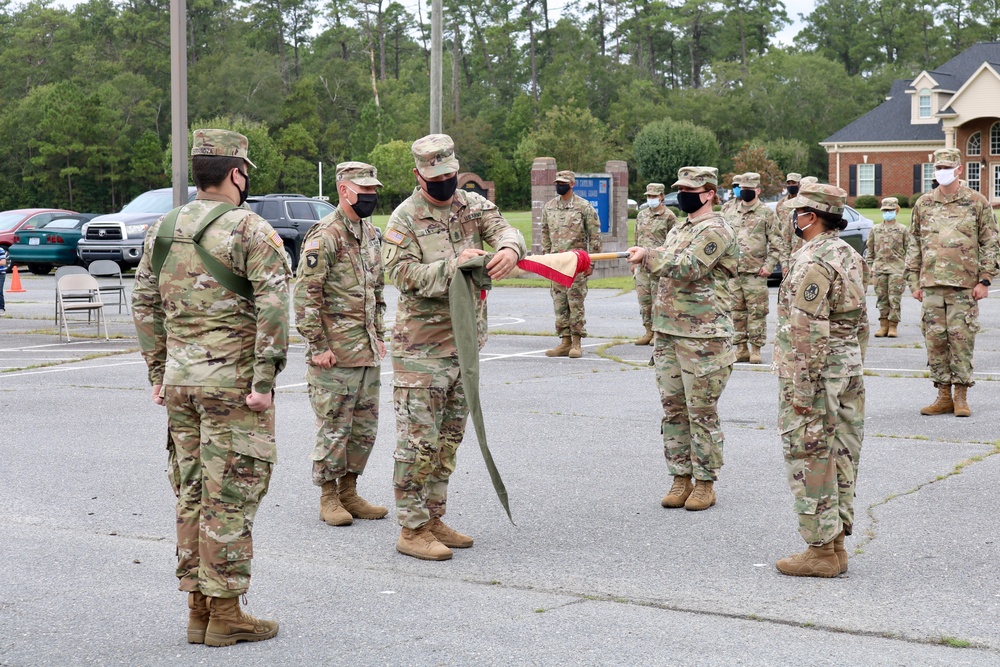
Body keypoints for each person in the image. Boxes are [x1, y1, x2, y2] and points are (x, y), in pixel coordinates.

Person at [132, 129, 290, 646]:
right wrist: (264, 379)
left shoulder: (163, 228)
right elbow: (271, 304)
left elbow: (144, 306)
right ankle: (226, 613)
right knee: (231, 495)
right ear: (236, 173)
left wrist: (159, 373)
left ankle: (199, 608)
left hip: (181, 383)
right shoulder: (248, 228)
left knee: (193, 491)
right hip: (233, 386)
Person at [382, 134, 526, 561]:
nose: (443, 184)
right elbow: (400, 273)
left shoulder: (472, 205)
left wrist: (510, 249)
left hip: (464, 347)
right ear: (418, 175)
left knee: (447, 440)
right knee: (417, 443)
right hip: (421, 352)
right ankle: (411, 528)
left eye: (449, 176)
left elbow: (507, 229)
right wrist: (453, 265)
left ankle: (433, 517)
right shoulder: (404, 218)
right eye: (434, 178)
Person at [627, 166, 737, 512]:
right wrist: (647, 255)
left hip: (703, 337)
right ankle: (680, 477)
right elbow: (668, 262)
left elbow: (690, 267)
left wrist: (649, 254)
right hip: (668, 332)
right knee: (673, 409)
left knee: (701, 411)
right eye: (680, 188)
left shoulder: (716, 230)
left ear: (708, 193)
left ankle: (705, 482)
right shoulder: (679, 227)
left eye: (690, 188)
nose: (683, 193)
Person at [774, 182, 868, 578]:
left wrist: (802, 386)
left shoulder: (813, 259)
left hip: (817, 370)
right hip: (846, 366)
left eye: (798, 212)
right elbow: (861, 322)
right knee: (841, 454)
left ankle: (820, 551)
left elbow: (806, 328)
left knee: (810, 455)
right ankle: (837, 544)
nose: (793, 217)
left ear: (810, 217)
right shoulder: (848, 253)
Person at [293, 161, 388, 528]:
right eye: (364, 191)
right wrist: (318, 346)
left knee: (364, 427)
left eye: (373, 191)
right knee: (334, 425)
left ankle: (349, 490)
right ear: (344, 190)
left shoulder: (370, 234)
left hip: (364, 349)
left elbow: (376, 291)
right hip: (333, 353)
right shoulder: (326, 235)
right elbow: (305, 296)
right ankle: (328, 496)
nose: (371, 197)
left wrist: (378, 335)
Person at [906, 148, 999, 417]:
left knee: (961, 341)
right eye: (938, 167)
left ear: (959, 170)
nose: (941, 172)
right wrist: (914, 281)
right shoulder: (924, 203)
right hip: (931, 285)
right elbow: (914, 243)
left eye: (947, 167)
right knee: (935, 341)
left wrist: (985, 280)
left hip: (964, 286)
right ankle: (943, 394)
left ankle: (961, 396)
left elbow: (991, 242)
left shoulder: (976, 201)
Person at [722, 172, 785, 364]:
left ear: (758, 190)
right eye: (743, 189)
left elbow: (777, 243)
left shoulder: (766, 213)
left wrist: (769, 266)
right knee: (736, 312)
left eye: (749, 189)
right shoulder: (730, 212)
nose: (745, 192)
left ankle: (755, 349)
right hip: (733, 273)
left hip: (755, 273)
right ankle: (741, 348)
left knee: (757, 312)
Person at [541, 170, 602, 359]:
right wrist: (546, 257)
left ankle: (576, 341)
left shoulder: (584, 207)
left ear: (572, 184)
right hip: (556, 263)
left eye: (563, 182)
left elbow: (595, 235)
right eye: (557, 182)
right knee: (559, 303)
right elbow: (545, 232)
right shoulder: (549, 207)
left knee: (575, 302)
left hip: (576, 263)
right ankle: (565, 341)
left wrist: (591, 262)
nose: (559, 185)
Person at [632, 183, 677, 345]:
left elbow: (674, 242)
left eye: (654, 196)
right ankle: (648, 331)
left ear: (662, 197)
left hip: (658, 264)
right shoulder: (642, 215)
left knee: (658, 299)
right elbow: (637, 238)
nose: (651, 199)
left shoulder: (669, 216)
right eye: (649, 196)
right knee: (644, 299)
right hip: (641, 264)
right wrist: (633, 260)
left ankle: (659, 332)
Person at [865, 197, 909, 338]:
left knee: (894, 298)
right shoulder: (875, 229)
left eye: (890, 210)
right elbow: (870, 250)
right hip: (879, 268)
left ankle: (893, 326)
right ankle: (883, 325)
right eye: (885, 210)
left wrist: (908, 268)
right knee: (881, 298)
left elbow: (909, 250)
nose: (887, 213)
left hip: (897, 268)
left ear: (896, 211)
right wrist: (870, 266)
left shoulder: (902, 230)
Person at [783, 176, 818, 276]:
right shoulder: (793, 215)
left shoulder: (822, 215)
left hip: (816, 265)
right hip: (796, 264)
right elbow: (786, 241)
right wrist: (785, 264)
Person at [774, 173, 801, 276]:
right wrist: (784, 264)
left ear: (799, 184)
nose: (791, 185)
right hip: (788, 251)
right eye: (789, 183)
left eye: (793, 183)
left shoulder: (805, 203)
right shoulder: (781, 204)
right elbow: (780, 231)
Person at [0, 243, 7, 315]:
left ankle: (1, 308)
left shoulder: (1, 250)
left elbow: (3, 262)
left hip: (0, 273)